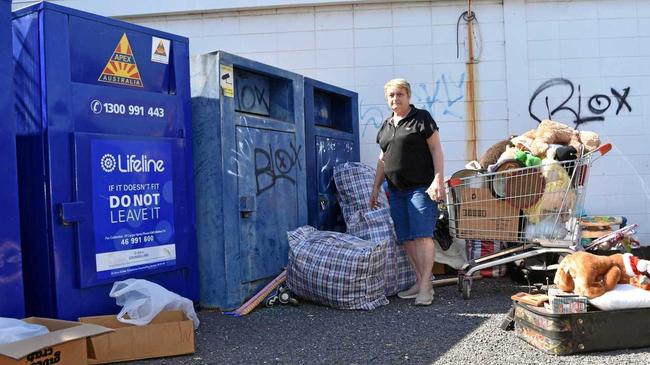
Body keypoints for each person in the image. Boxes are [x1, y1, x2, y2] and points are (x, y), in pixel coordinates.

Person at [369, 78, 445, 306]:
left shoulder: (421, 118)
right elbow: (382, 160)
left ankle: (425, 288)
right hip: (396, 191)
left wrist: (438, 178)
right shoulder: (385, 126)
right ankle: (422, 280)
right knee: (406, 238)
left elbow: (436, 148)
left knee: (422, 235)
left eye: (400, 94)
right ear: (387, 99)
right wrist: (375, 188)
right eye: (391, 95)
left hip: (421, 188)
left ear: (408, 96)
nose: (395, 99)